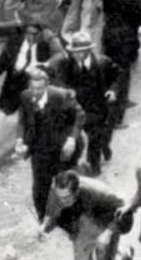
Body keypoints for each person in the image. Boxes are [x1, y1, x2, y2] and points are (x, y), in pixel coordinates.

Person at [46, 31, 120, 176]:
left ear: (88, 50)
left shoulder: (102, 62)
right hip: (77, 108)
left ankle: (94, 168)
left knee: (95, 138)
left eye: (81, 52)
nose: (77, 55)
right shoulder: (66, 64)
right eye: (74, 52)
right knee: (78, 136)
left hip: (97, 106)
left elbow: (118, 75)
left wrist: (112, 90)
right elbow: (55, 75)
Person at [16, 67, 84, 219]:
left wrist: (72, 139)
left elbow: (80, 116)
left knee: (66, 187)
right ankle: (43, 220)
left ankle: (72, 219)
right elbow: (22, 120)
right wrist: (20, 140)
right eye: (32, 88)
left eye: (39, 88)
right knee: (39, 189)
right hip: (40, 149)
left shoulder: (61, 95)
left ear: (47, 86)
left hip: (62, 149)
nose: (36, 92)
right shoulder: (25, 96)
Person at [100, 0, 141, 126]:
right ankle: (116, 117)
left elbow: (106, 12)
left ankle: (119, 103)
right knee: (122, 75)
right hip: (126, 38)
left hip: (109, 35)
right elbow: (138, 19)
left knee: (111, 72)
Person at [0, 18, 58, 116]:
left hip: (26, 79)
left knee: (19, 101)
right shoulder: (16, 37)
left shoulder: (45, 47)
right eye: (29, 33)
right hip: (12, 72)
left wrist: (42, 70)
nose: (31, 37)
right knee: (5, 100)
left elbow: (54, 66)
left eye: (35, 34)